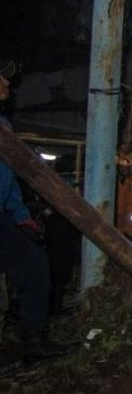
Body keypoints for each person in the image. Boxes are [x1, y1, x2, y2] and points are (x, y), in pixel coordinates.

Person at [0, 57, 70, 367]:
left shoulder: (4, 128)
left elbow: (9, 177)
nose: (7, 85)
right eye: (0, 79)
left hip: (3, 218)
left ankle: (32, 339)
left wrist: (20, 215)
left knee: (34, 267)